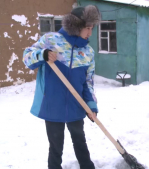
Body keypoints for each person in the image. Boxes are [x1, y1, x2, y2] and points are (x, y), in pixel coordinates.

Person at [23, 5, 101, 169]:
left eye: (92, 28)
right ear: (77, 26)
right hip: (52, 104)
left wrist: (91, 105)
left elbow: (88, 82)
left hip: (76, 104)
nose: (90, 33)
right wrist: (42, 55)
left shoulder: (88, 52)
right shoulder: (51, 40)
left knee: (80, 140)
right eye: (88, 28)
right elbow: (27, 57)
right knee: (56, 145)